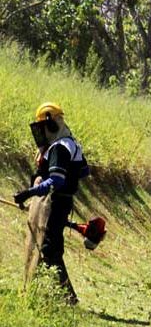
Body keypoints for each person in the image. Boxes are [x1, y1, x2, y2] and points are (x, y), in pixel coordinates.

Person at [13, 102, 90, 304]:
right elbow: (83, 171)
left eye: (42, 127)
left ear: (51, 124)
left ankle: (67, 299)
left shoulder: (59, 148)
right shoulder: (70, 144)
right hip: (60, 202)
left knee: (49, 249)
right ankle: (52, 295)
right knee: (50, 247)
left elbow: (56, 180)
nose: (41, 133)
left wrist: (29, 193)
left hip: (54, 203)